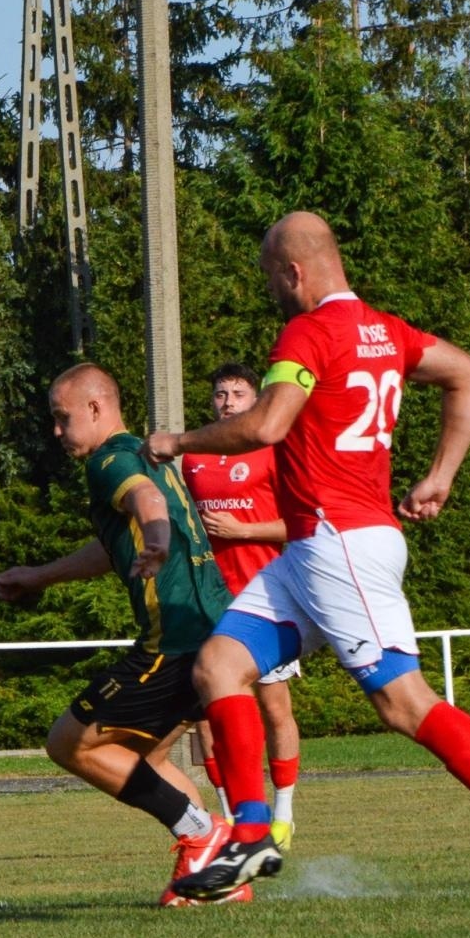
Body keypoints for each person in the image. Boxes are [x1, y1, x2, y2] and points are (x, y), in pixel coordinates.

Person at [144, 211, 470, 908]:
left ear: (293, 271)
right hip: (314, 547)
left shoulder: (308, 331)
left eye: (270, 278)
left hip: (338, 543)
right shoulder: (387, 331)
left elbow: (266, 423)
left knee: (404, 704)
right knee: (219, 665)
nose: (271, 292)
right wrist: (441, 474)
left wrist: (177, 440)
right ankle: (253, 830)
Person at [0, 363, 246, 907]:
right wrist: (39, 576)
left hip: (172, 643)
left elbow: (147, 508)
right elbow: (112, 548)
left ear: (95, 409)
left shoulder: (110, 461)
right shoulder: (141, 453)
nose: (57, 432)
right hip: (213, 635)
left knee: (69, 742)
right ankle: (219, 877)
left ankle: (203, 837)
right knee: (143, 759)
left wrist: (155, 541)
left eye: (62, 419)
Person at [181, 362, 301, 845]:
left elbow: (300, 525)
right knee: (207, 713)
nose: (227, 401)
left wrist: (245, 531)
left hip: (264, 596)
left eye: (237, 393)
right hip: (209, 599)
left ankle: (284, 814)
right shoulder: (195, 457)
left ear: (256, 401)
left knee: (274, 708)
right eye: (220, 393)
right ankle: (231, 816)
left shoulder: (275, 450)